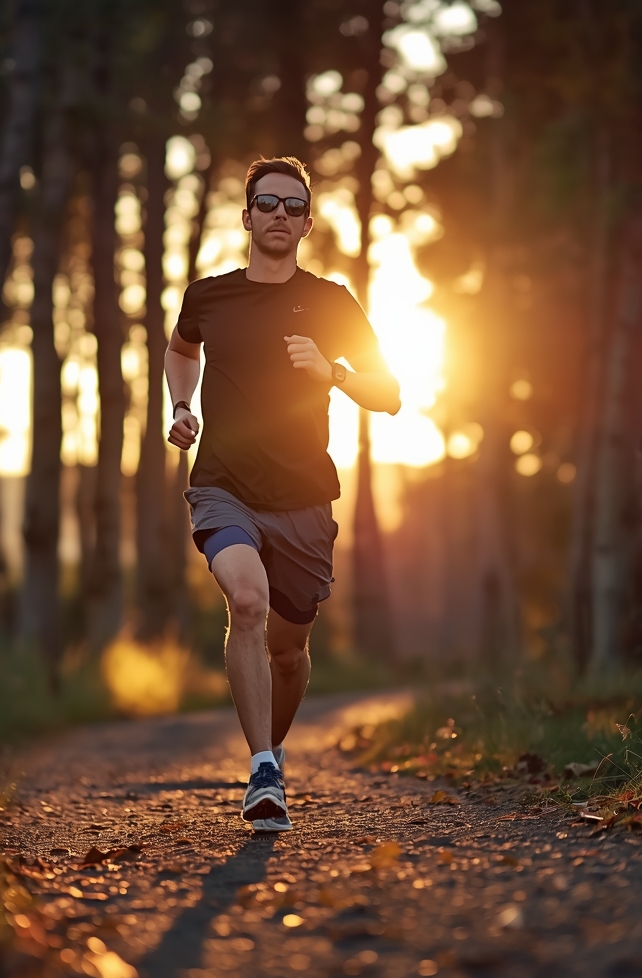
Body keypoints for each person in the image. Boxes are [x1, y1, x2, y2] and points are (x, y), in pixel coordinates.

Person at [165, 156, 400, 831]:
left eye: (293, 207)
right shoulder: (209, 296)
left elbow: (390, 395)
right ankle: (263, 766)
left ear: (305, 224)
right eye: (267, 204)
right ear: (245, 217)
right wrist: (181, 406)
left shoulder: (330, 302)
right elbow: (181, 350)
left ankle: (276, 745)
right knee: (247, 600)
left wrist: (334, 371)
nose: (279, 216)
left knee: (290, 653)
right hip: (222, 486)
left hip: (303, 500)